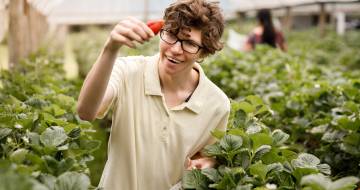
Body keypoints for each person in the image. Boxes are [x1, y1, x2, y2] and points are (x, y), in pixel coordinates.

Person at [76, 0, 230, 189]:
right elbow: (85, 111)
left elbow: (206, 157)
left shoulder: (217, 105)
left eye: (189, 43)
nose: (175, 49)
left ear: (204, 52)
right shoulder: (128, 71)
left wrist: (209, 163)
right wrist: (110, 48)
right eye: (171, 35)